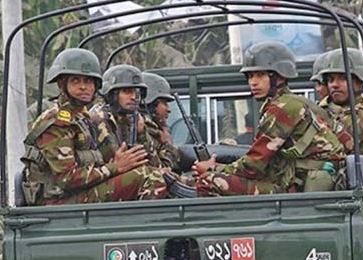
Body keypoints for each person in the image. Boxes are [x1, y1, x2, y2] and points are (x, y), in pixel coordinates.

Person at [194, 42, 346, 196]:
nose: (253, 82)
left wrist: (213, 169)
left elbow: (254, 165)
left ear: (279, 77)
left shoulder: (283, 108)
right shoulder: (290, 102)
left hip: (297, 188)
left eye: (260, 75)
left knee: (208, 181)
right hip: (296, 182)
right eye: (250, 76)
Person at [20, 49, 167, 205]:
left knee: (155, 173)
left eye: (88, 81)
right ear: (62, 84)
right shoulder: (57, 121)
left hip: (78, 194)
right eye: (75, 81)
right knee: (146, 176)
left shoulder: (82, 118)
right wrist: (115, 167)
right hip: (57, 202)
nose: (84, 87)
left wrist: (115, 164)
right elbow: (67, 179)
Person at [142, 72, 183, 173]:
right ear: (151, 103)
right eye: (164, 103)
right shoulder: (144, 129)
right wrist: (168, 144)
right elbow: (164, 170)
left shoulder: (153, 128)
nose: (168, 109)